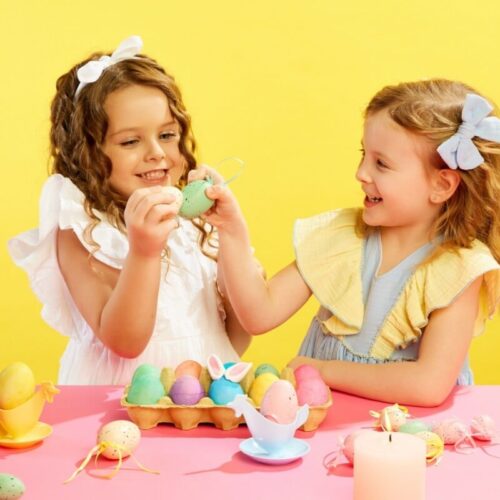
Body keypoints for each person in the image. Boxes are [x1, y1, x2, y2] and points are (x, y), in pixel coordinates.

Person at [200, 79, 500, 407]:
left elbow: (427, 386)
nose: (361, 173)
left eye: (381, 163)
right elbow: (259, 314)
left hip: (404, 430)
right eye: (364, 155)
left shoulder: (459, 269)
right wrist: (231, 230)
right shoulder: (343, 237)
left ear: (441, 185)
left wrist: (324, 371)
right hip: (325, 423)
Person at [8, 36, 250, 385]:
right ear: (87, 153)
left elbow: (232, 339)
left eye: (167, 135)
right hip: (117, 398)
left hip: (201, 397)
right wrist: (144, 251)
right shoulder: (84, 228)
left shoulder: (194, 223)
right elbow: (125, 341)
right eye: (130, 141)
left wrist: (234, 247)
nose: (156, 153)